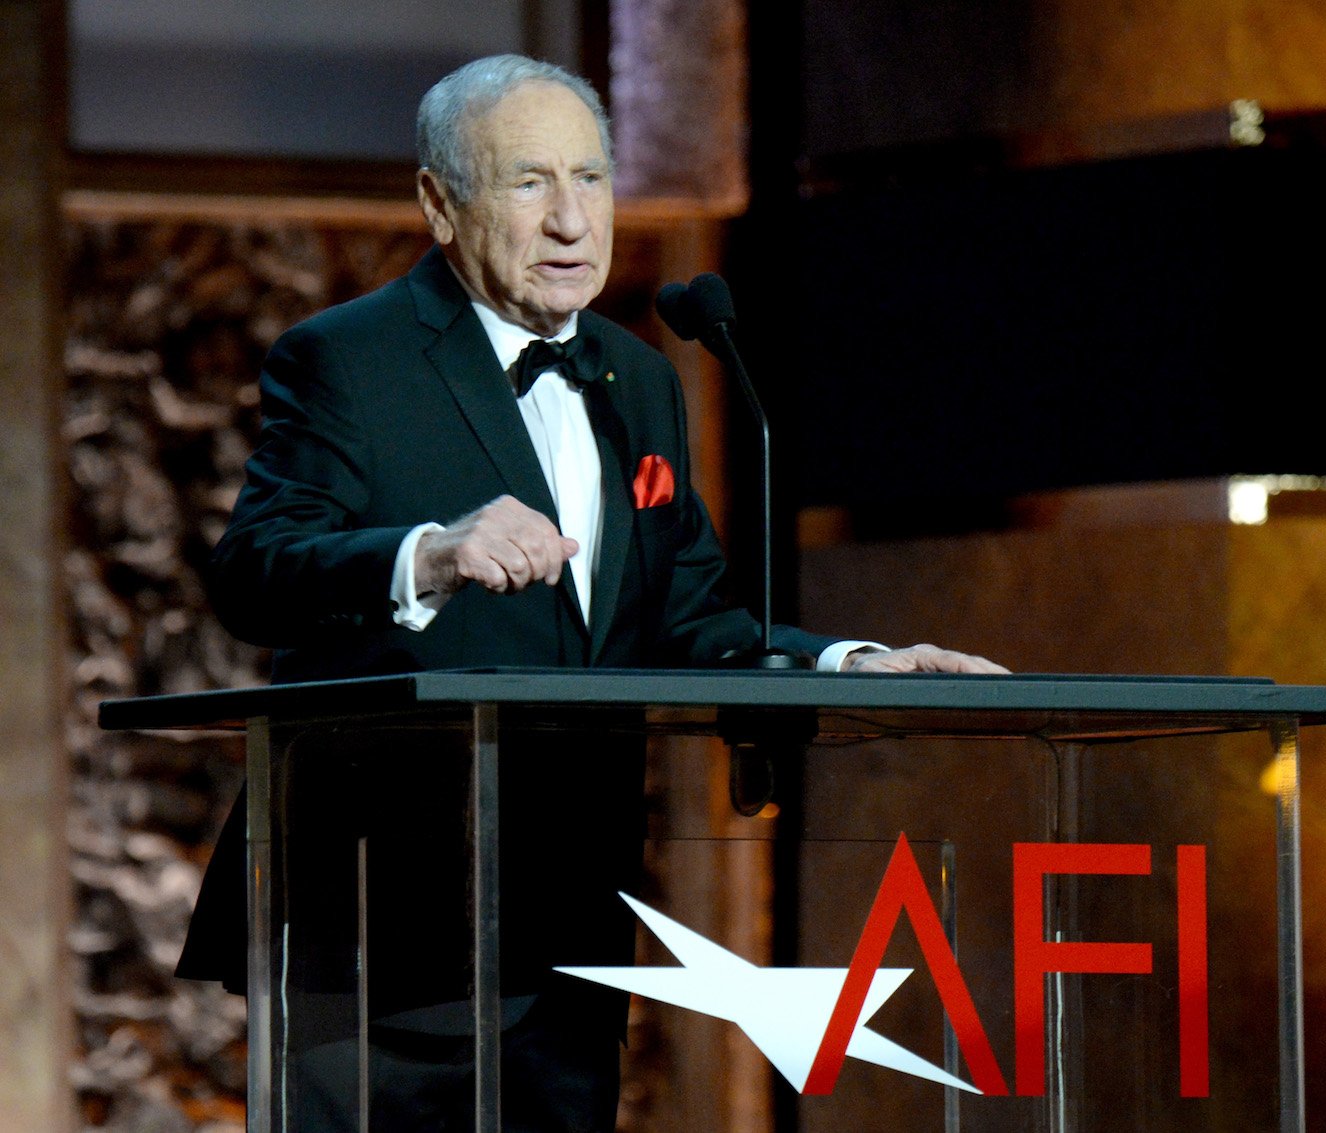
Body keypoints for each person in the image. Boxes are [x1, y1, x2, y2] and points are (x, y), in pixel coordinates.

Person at [179, 54, 1006, 1132]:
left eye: (591, 178)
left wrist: (844, 661)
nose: (571, 218)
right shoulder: (348, 360)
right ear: (441, 202)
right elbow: (253, 573)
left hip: (566, 922)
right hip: (372, 924)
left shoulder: (642, 380)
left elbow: (689, 615)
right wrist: (424, 554)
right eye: (529, 182)